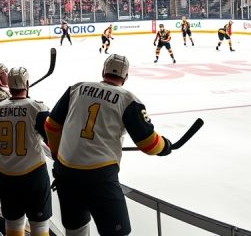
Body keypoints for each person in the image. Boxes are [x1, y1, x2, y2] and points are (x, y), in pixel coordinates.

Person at [45, 54, 173, 236]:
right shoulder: (128, 100)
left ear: (103, 71)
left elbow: (51, 125)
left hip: (66, 173)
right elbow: (149, 144)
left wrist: (57, 155)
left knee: (75, 229)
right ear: (125, 77)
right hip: (100, 177)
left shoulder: (76, 88)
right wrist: (165, 146)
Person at [0, 67, 52, 236]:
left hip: (6, 176)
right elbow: (52, 139)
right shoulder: (38, 108)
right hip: (35, 176)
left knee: (13, 224)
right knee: (40, 226)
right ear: (26, 84)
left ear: (10, 86)